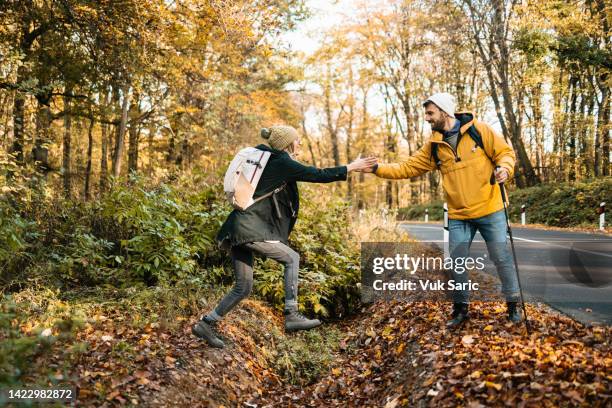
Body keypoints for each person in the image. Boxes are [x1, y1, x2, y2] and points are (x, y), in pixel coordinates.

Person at [193, 125, 377, 348]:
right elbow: (317, 174)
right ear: (288, 143)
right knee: (292, 258)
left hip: (237, 229)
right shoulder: (282, 162)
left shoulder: (268, 161)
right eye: (297, 140)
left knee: (243, 287)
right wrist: (351, 167)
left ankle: (207, 322)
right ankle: (291, 313)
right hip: (250, 230)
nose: (299, 143)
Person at [362, 92, 522, 328]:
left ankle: (513, 305)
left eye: (430, 113)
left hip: (491, 208)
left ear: (444, 111)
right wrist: (376, 168)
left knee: (501, 257)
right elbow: (407, 168)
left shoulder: (480, 130)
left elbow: (505, 154)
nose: (426, 118)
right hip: (458, 214)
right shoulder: (434, 146)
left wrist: (505, 169)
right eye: (426, 113)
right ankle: (460, 309)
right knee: (455, 262)